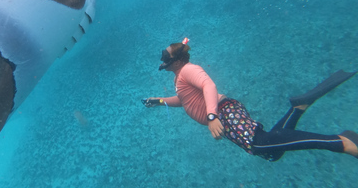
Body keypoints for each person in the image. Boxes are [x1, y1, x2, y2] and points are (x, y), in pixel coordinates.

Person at [143, 38, 358, 161]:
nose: (162, 60)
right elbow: (185, 100)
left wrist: (211, 116)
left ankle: (339, 142)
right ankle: (297, 108)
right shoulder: (180, 77)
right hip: (224, 115)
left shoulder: (188, 70)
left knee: (260, 144)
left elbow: (209, 85)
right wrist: (160, 101)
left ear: (177, 60)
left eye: (165, 56)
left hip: (223, 113)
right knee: (271, 152)